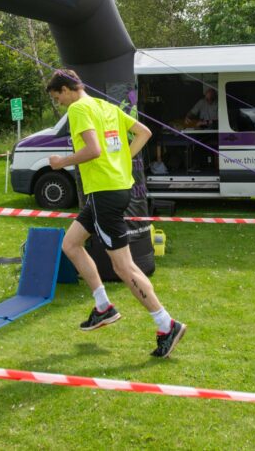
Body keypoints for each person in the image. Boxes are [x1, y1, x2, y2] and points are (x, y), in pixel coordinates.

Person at [46, 69, 186, 358]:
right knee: (71, 244)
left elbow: (93, 150)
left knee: (124, 267)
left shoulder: (79, 109)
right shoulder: (106, 106)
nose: (58, 102)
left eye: (56, 96)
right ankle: (103, 307)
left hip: (104, 193)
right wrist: (123, 160)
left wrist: (62, 162)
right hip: (112, 189)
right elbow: (144, 133)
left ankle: (166, 324)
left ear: (66, 89)